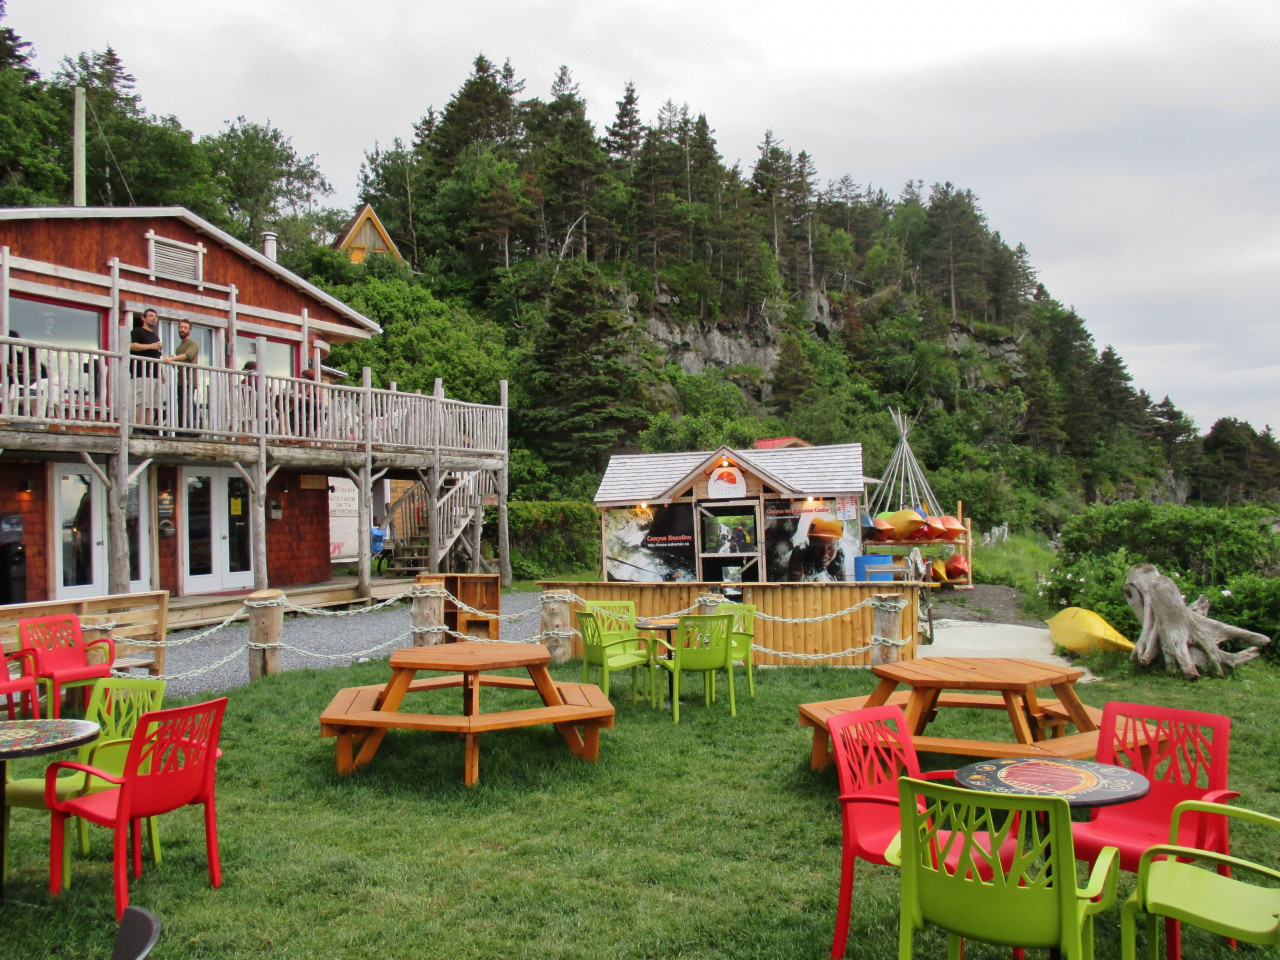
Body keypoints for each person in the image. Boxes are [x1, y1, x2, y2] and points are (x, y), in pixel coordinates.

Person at [129, 308, 163, 432]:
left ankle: (148, 428)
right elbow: (132, 346)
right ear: (143, 318)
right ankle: (138, 428)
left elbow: (157, 355)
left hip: (154, 374)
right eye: (150, 315)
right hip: (141, 372)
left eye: (155, 316)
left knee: (152, 404)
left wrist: (161, 373)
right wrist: (150, 346)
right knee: (141, 402)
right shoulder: (137, 331)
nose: (153, 318)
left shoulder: (155, 336)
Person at [162, 319, 198, 429]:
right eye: (180, 327)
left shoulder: (193, 343)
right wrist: (174, 361)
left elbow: (188, 355)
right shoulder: (178, 347)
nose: (182, 330)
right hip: (180, 381)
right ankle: (184, 428)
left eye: (185, 328)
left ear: (190, 330)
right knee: (182, 406)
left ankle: (192, 429)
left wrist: (172, 358)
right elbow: (179, 362)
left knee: (188, 406)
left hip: (190, 380)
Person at [787, 517, 846, 582]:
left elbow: (843, 586)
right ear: (810, 543)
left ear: (837, 546)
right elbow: (794, 587)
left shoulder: (839, 556)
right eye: (819, 547)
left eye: (831, 548)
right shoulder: (800, 554)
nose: (824, 554)